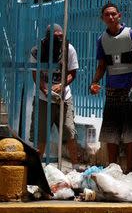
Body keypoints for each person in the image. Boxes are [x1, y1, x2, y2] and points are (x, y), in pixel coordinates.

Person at [89, 3, 132, 174]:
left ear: (119, 15)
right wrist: (94, 82)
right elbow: (101, 66)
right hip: (112, 91)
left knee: (131, 132)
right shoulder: (102, 40)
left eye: (113, 14)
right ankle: (112, 169)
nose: (111, 17)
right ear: (103, 18)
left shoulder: (131, 34)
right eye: (107, 15)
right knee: (110, 132)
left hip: (130, 90)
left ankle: (129, 171)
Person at [29, 24, 80, 169]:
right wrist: (45, 90)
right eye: (56, 37)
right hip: (43, 98)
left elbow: (73, 72)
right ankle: (37, 169)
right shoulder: (36, 51)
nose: (59, 39)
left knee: (69, 132)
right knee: (41, 135)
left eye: (61, 36)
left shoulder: (68, 49)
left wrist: (62, 84)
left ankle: (75, 169)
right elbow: (36, 74)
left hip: (64, 97)